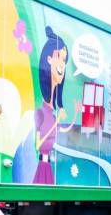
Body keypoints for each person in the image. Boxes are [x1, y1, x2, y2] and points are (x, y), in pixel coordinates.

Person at [32, 26, 82, 184]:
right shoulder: (40, 113)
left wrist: (75, 114)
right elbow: (37, 144)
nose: (62, 64)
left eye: (64, 60)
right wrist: (55, 124)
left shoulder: (53, 114)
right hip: (41, 165)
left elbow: (64, 129)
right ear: (48, 59)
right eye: (59, 56)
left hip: (48, 167)